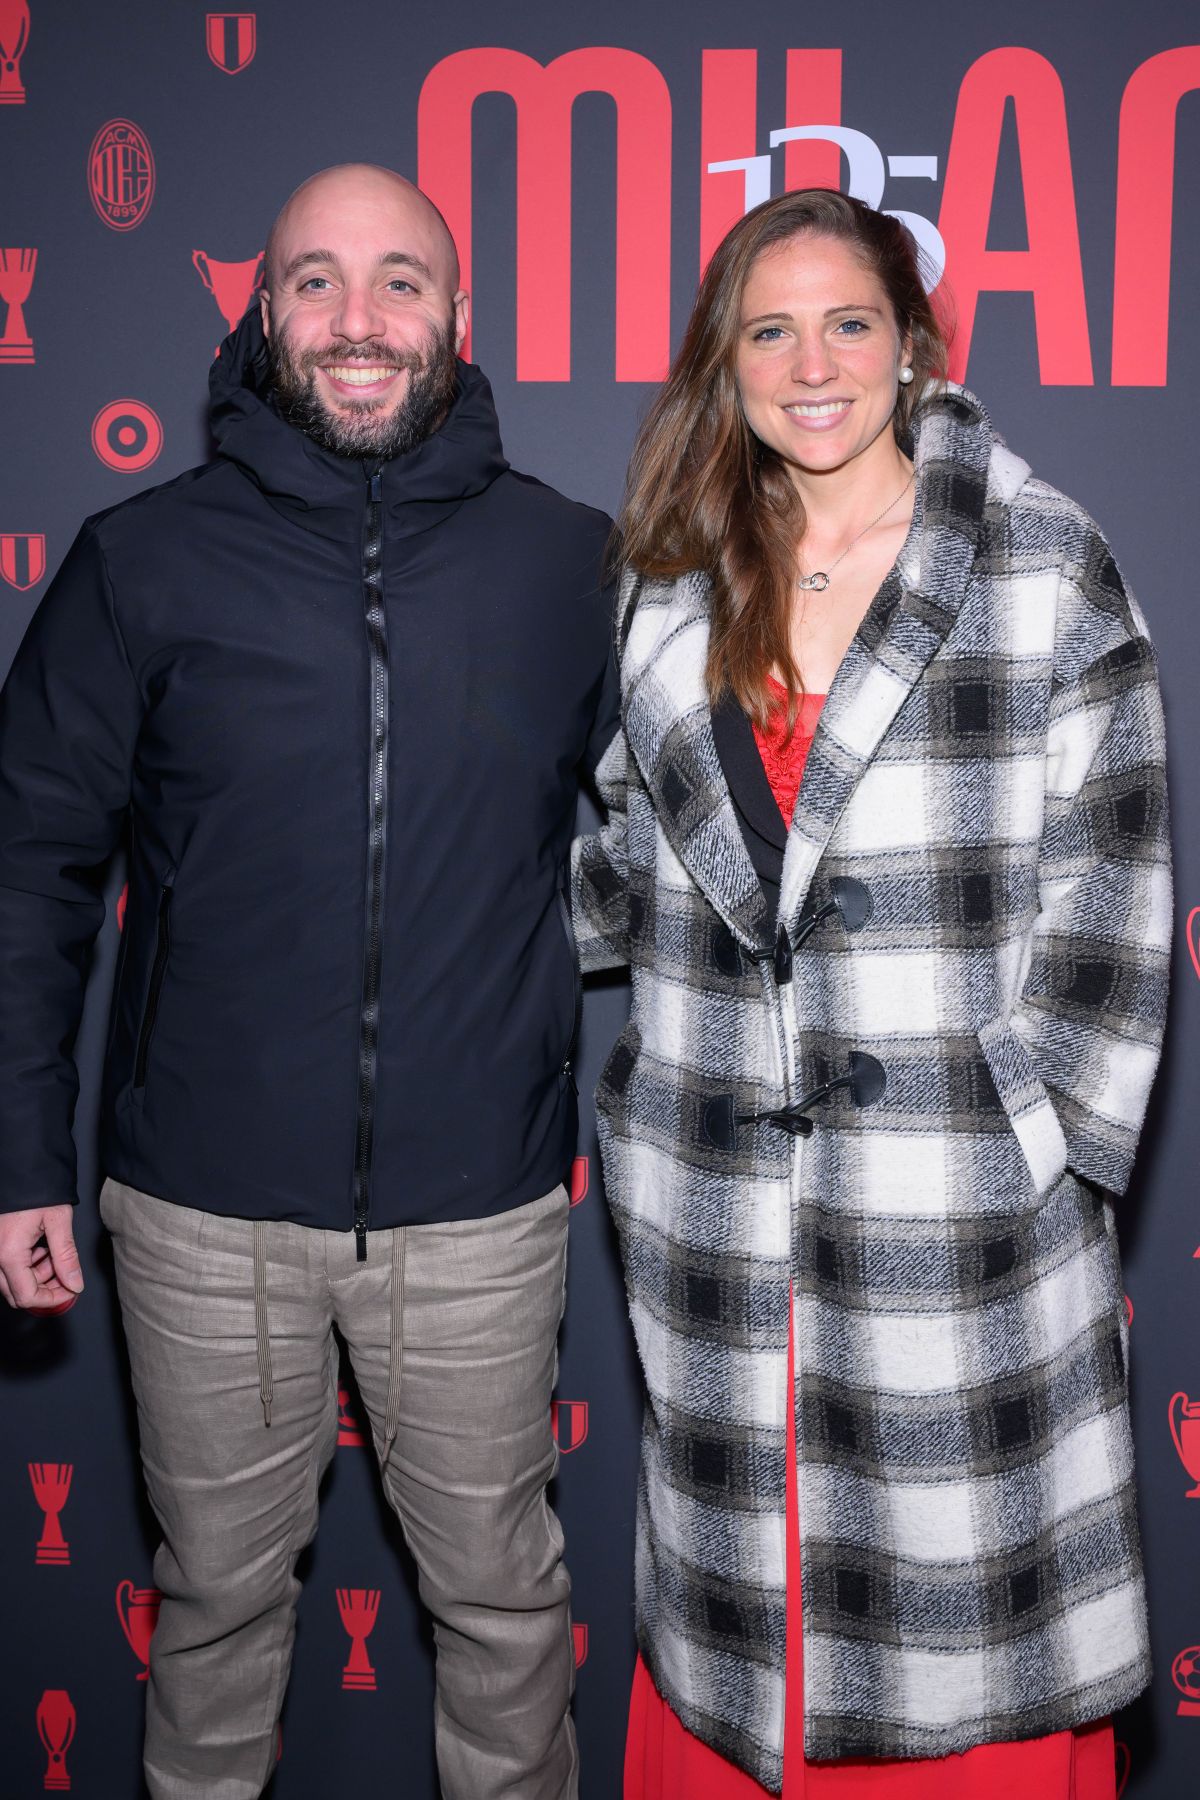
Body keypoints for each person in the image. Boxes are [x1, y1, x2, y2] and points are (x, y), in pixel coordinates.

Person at [0, 163, 616, 1800]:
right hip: (198, 1217)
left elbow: (683, 853)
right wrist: (16, 1159)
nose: (360, 321)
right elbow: (28, 874)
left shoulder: (575, 567)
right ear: (262, 311)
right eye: (318, 283)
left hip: (480, 1211)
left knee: (506, 1617)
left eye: (401, 281)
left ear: (460, 317)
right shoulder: (140, 561)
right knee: (209, 1617)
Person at [572, 189, 1169, 1798]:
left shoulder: (1038, 561)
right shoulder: (669, 583)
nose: (811, 362)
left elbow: (1116, 893)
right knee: (734, 1653)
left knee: (963, 1660)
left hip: (955, 1240)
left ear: (912, 347)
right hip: (717, 1222)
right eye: (769, 328)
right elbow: (626, 863)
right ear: (727, 360)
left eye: (850, 323)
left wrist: (1033, 1147)